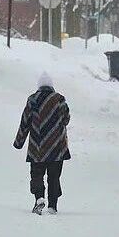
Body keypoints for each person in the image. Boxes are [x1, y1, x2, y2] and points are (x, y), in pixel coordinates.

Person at [13, 72, 71, 215]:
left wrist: (19, 142)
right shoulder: (59, 99)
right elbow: (66, 119)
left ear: (39, 86)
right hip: (57, 147)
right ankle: (53, 206)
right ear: (51, 86)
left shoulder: (32, 100)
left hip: (37, 147)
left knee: (37, 175)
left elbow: (25, 122)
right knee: (54, 176)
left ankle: (39, 198)